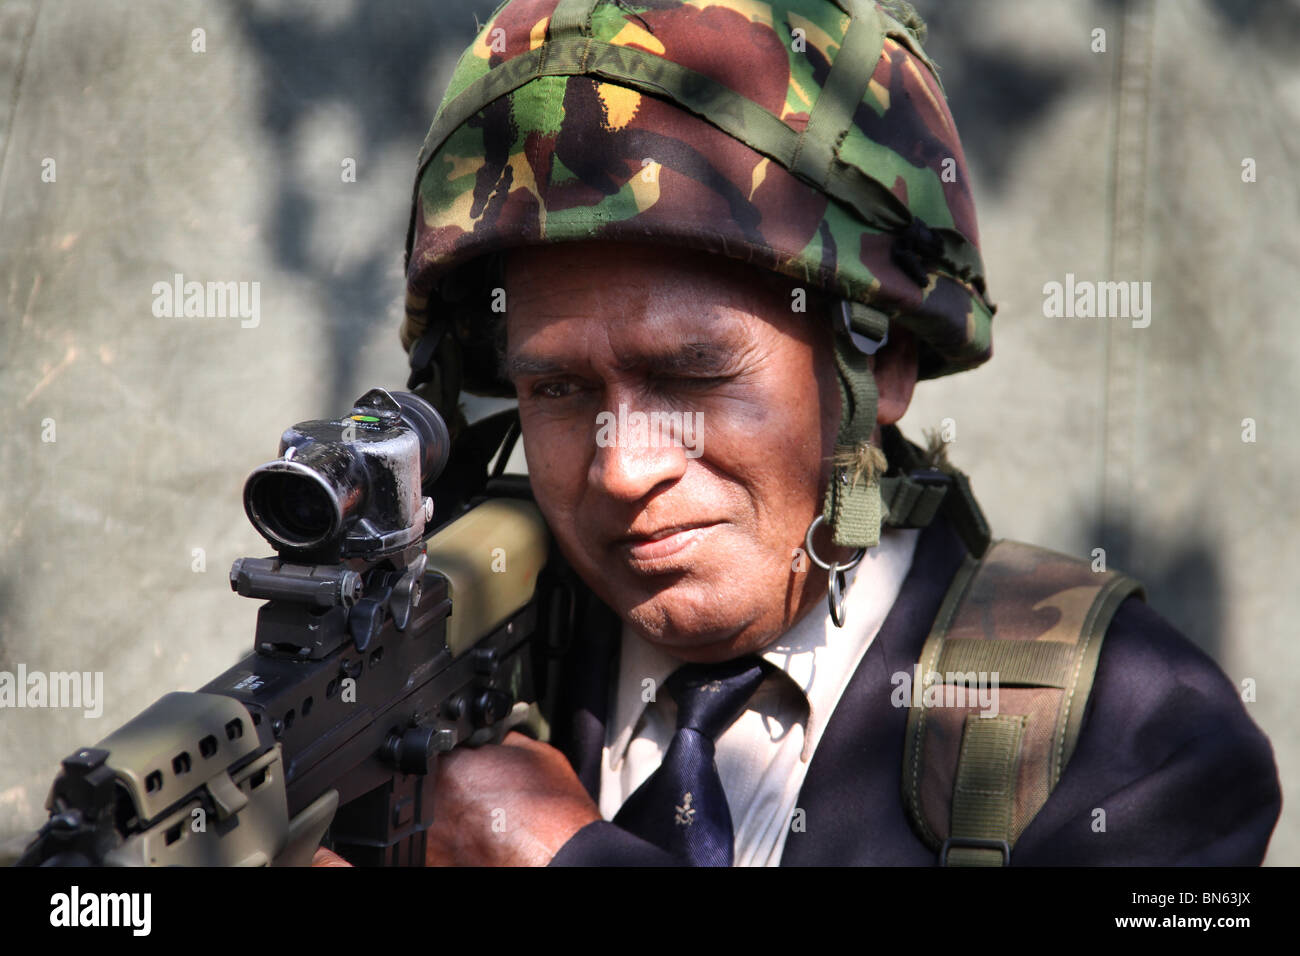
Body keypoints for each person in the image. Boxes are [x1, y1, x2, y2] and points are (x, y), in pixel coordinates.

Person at [316, 0, 1281, 867]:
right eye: (559, 389)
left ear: (884, 361)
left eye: (693, 373)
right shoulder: (447, 673)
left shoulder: (1137, 739)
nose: (622, 469)